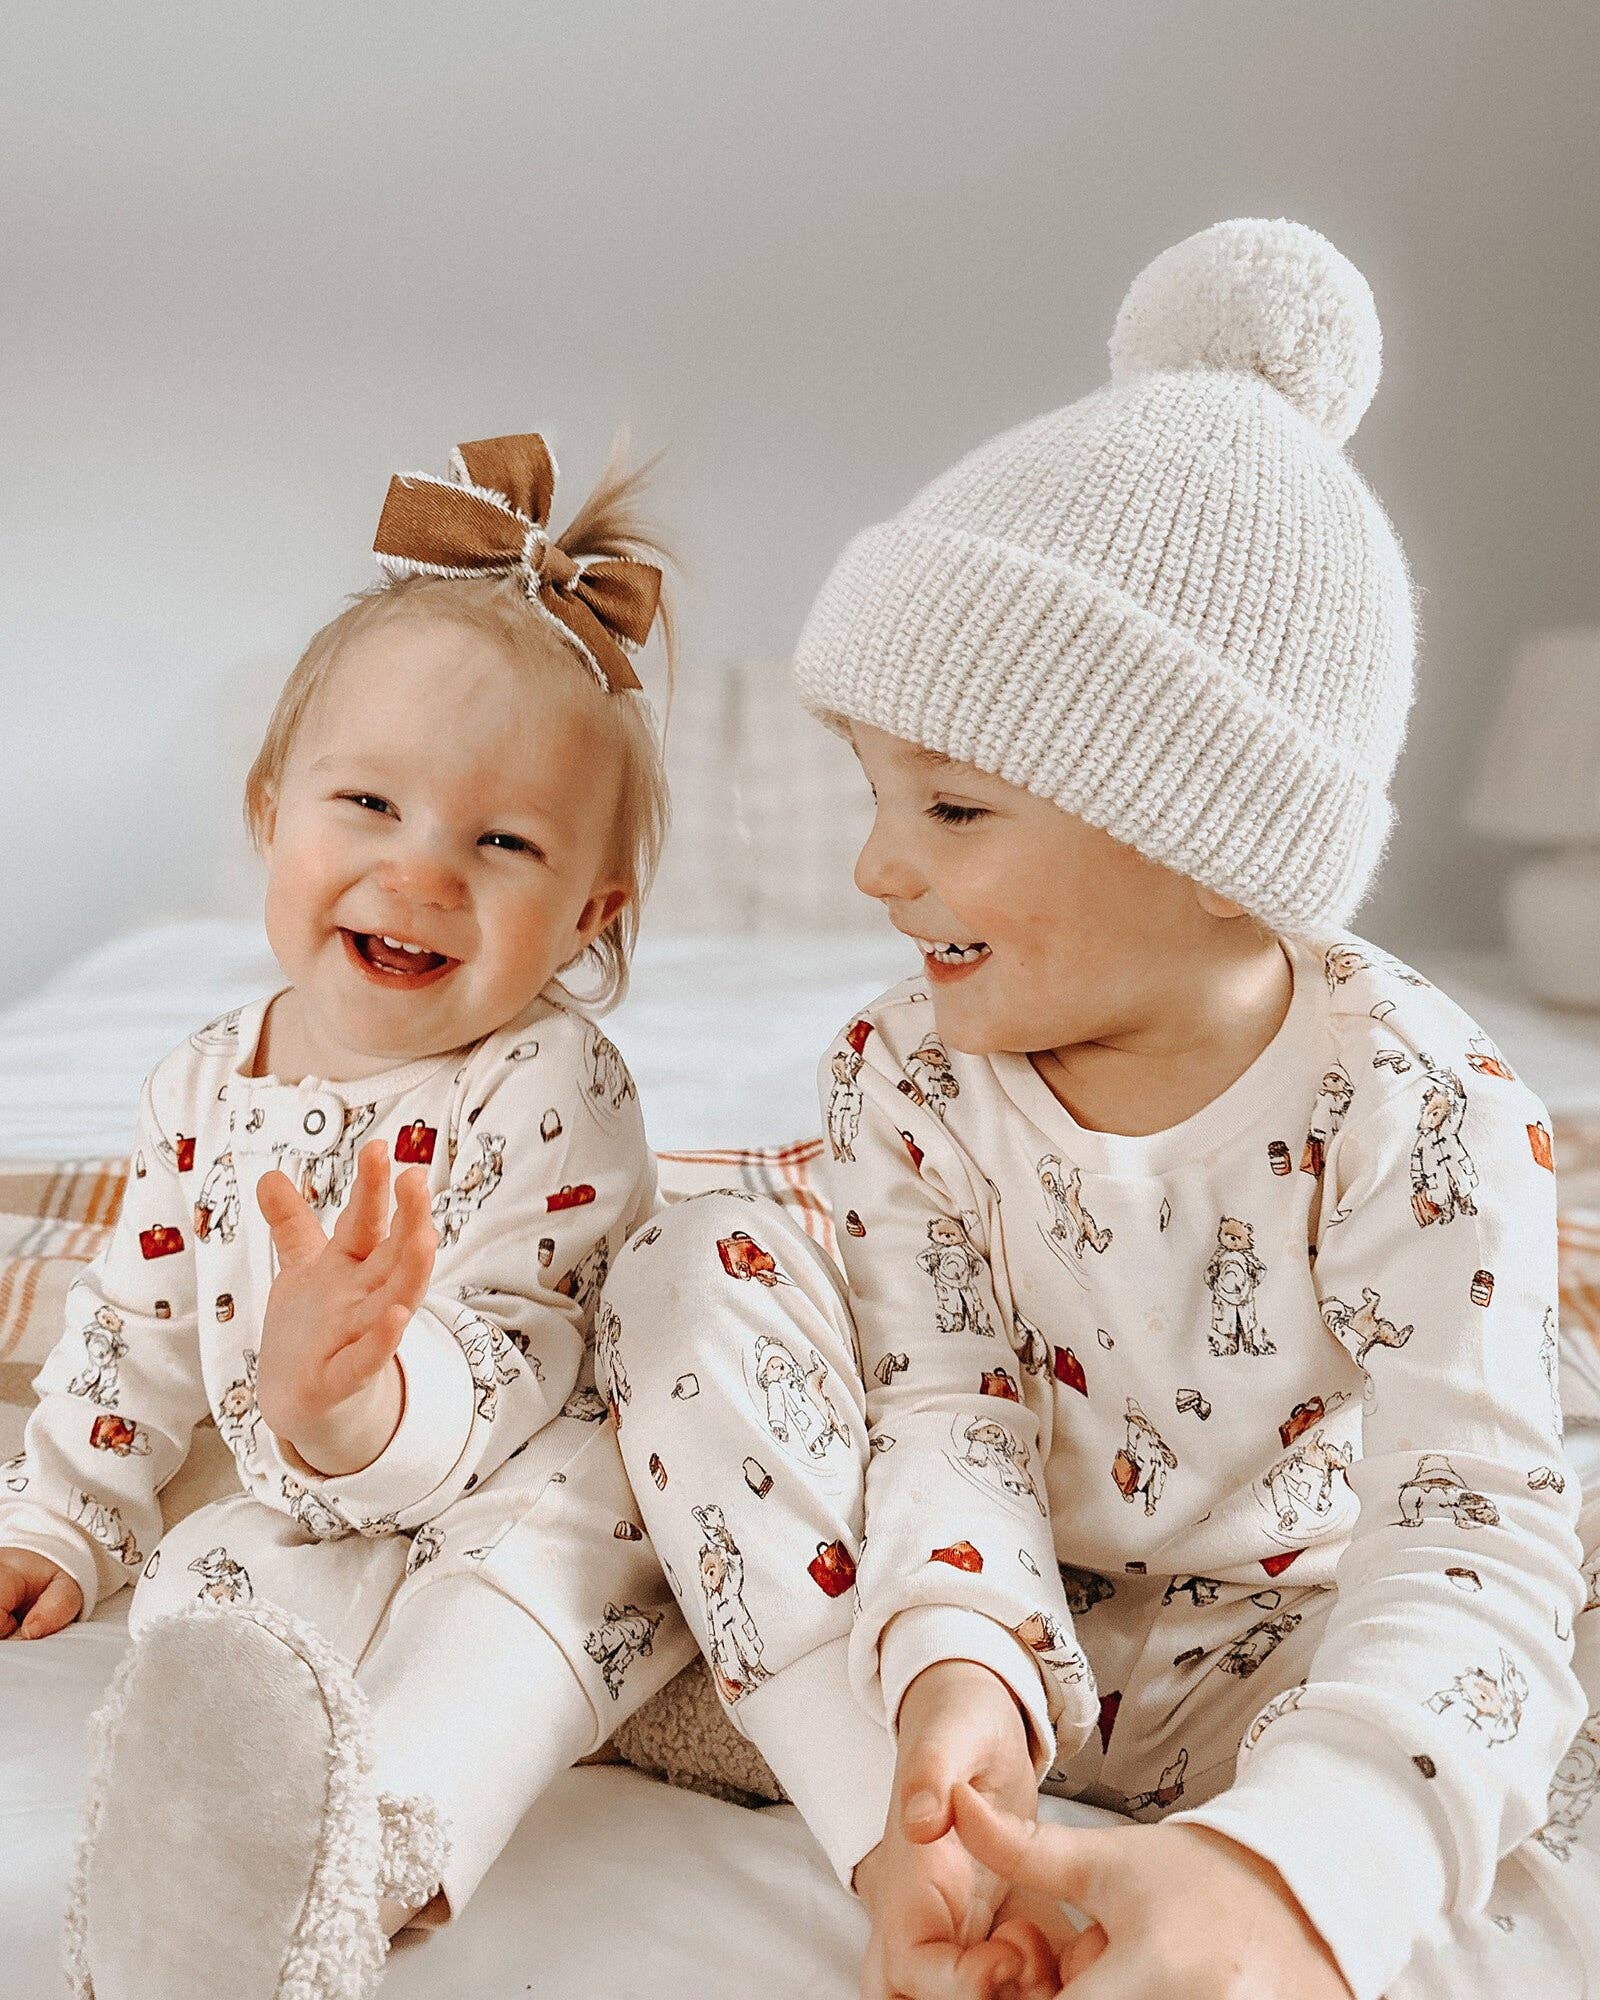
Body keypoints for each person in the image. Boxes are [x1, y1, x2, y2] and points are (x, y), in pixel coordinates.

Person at [599, 221, 1600, 1999]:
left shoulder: (1422, 1110)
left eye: (955, 810)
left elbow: (1458, 1515)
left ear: (1222, 850)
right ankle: (895, 1825)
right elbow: (946, 1407)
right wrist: (957, 1673)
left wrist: (1303, 1873)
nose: (877, 866)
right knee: (700, 1260)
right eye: (871, 791)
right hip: (1009, 1603)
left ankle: (1266, 1856)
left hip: (1284, 1641)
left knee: (1538, 1585)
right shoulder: (907, 1073)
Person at [0, 431, 695, 1999]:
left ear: (589, 914)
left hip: (516, 1485)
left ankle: (383, 1849)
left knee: (539, 1603)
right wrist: (67, 1515)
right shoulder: (200, 1085)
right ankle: (205, 1842)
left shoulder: (552, 1084)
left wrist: (363, 1398)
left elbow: (523, 1349)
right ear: (271, 813)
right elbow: (140, 1329)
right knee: (211, 1598)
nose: (421, 871)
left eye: (503, 843)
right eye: (369, 803)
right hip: (293, 1498)